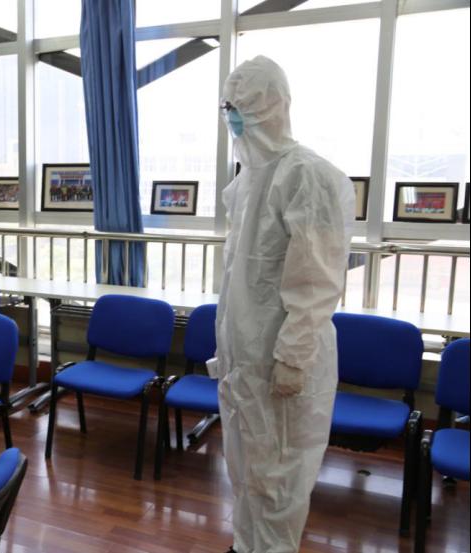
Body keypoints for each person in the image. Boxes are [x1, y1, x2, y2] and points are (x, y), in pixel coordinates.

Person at [209, 56, 354, 553]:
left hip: (282, 363)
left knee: (280, 478)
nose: (234, 116)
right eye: (228, 107)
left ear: (273, 105)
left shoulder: (308, 176)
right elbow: (243, 280)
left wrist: (292, 357)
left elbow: (315, 283)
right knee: (247, 470)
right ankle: (244, 546)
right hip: (246, 362)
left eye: (242, 106)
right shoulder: (248, 181)